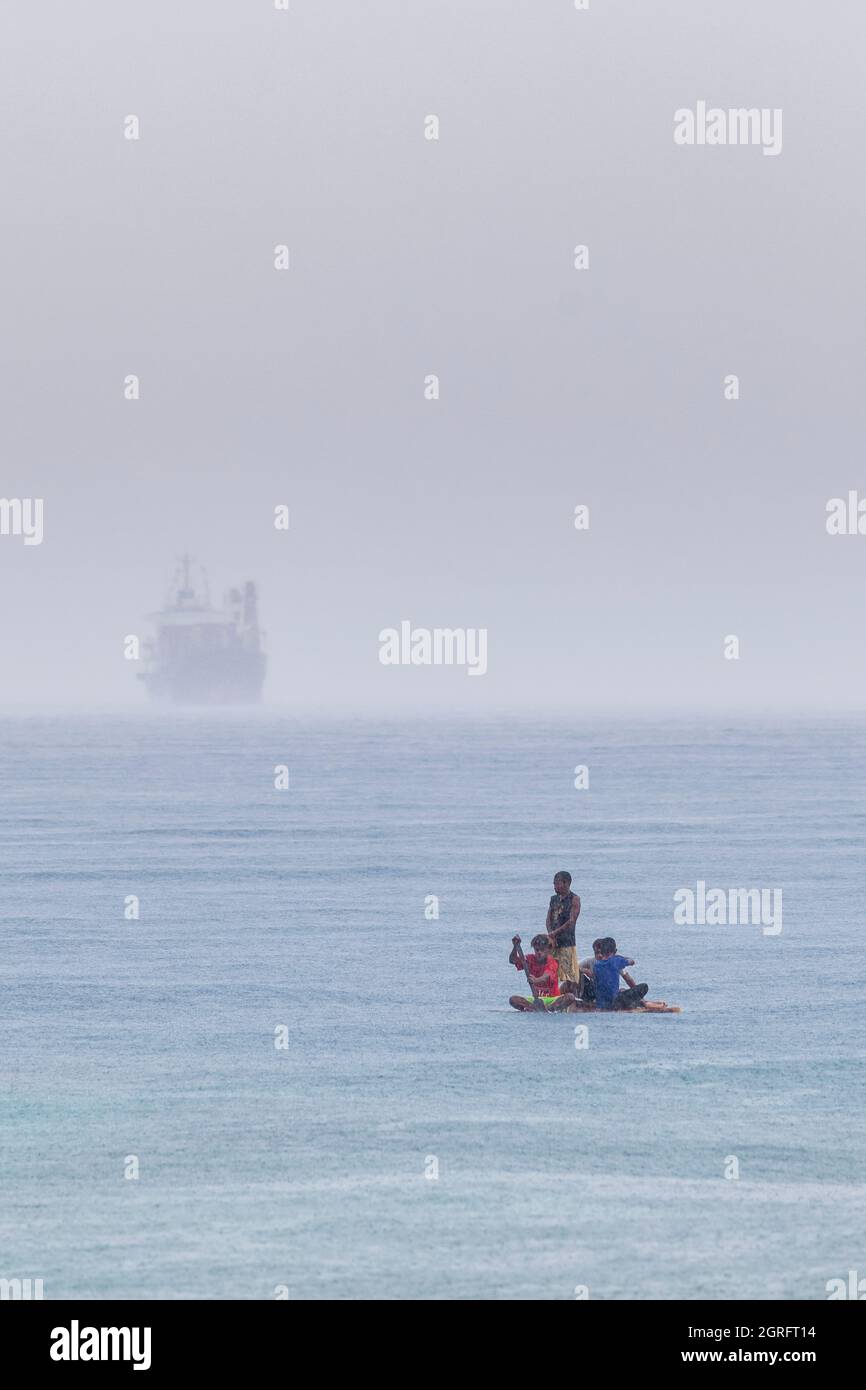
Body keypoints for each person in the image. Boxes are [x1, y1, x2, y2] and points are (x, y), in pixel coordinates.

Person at [579, 936, 649, 1010]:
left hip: (601, 1002)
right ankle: (631, 1004)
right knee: (644, 986)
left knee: (619, 991)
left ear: (602, 951)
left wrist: (585, 971)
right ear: (615, 951)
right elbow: (632, 961)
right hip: (614, 1002)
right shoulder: (616, 961)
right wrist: (620, 957)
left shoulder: (597, 965)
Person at [545, 871, 581, 988]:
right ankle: (551, 995)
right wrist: (551, 935)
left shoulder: (574, 899)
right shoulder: (554, 899)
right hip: (553, 942)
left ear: (566, 884)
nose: (554, 886)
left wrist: (554, 933)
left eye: (557, 883)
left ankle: (570, 998)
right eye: (554, 884)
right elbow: (548, 918)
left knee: (569, 975)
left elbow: (571, 921)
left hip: (567, 941)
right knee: (550, 970)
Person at [508, 934, 560, 1011]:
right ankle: (533, 1008)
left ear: (548, 950)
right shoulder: (530, 959)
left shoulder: (552, 962)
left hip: (552, 1000)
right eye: (537, 950)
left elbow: (546, 976)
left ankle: (548, 1008)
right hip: (536, 999)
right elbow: (512, 960)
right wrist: (515, 946)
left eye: (542, 950)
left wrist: (536, 980)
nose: (539, 952)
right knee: (513, 999)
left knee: (569, 997)